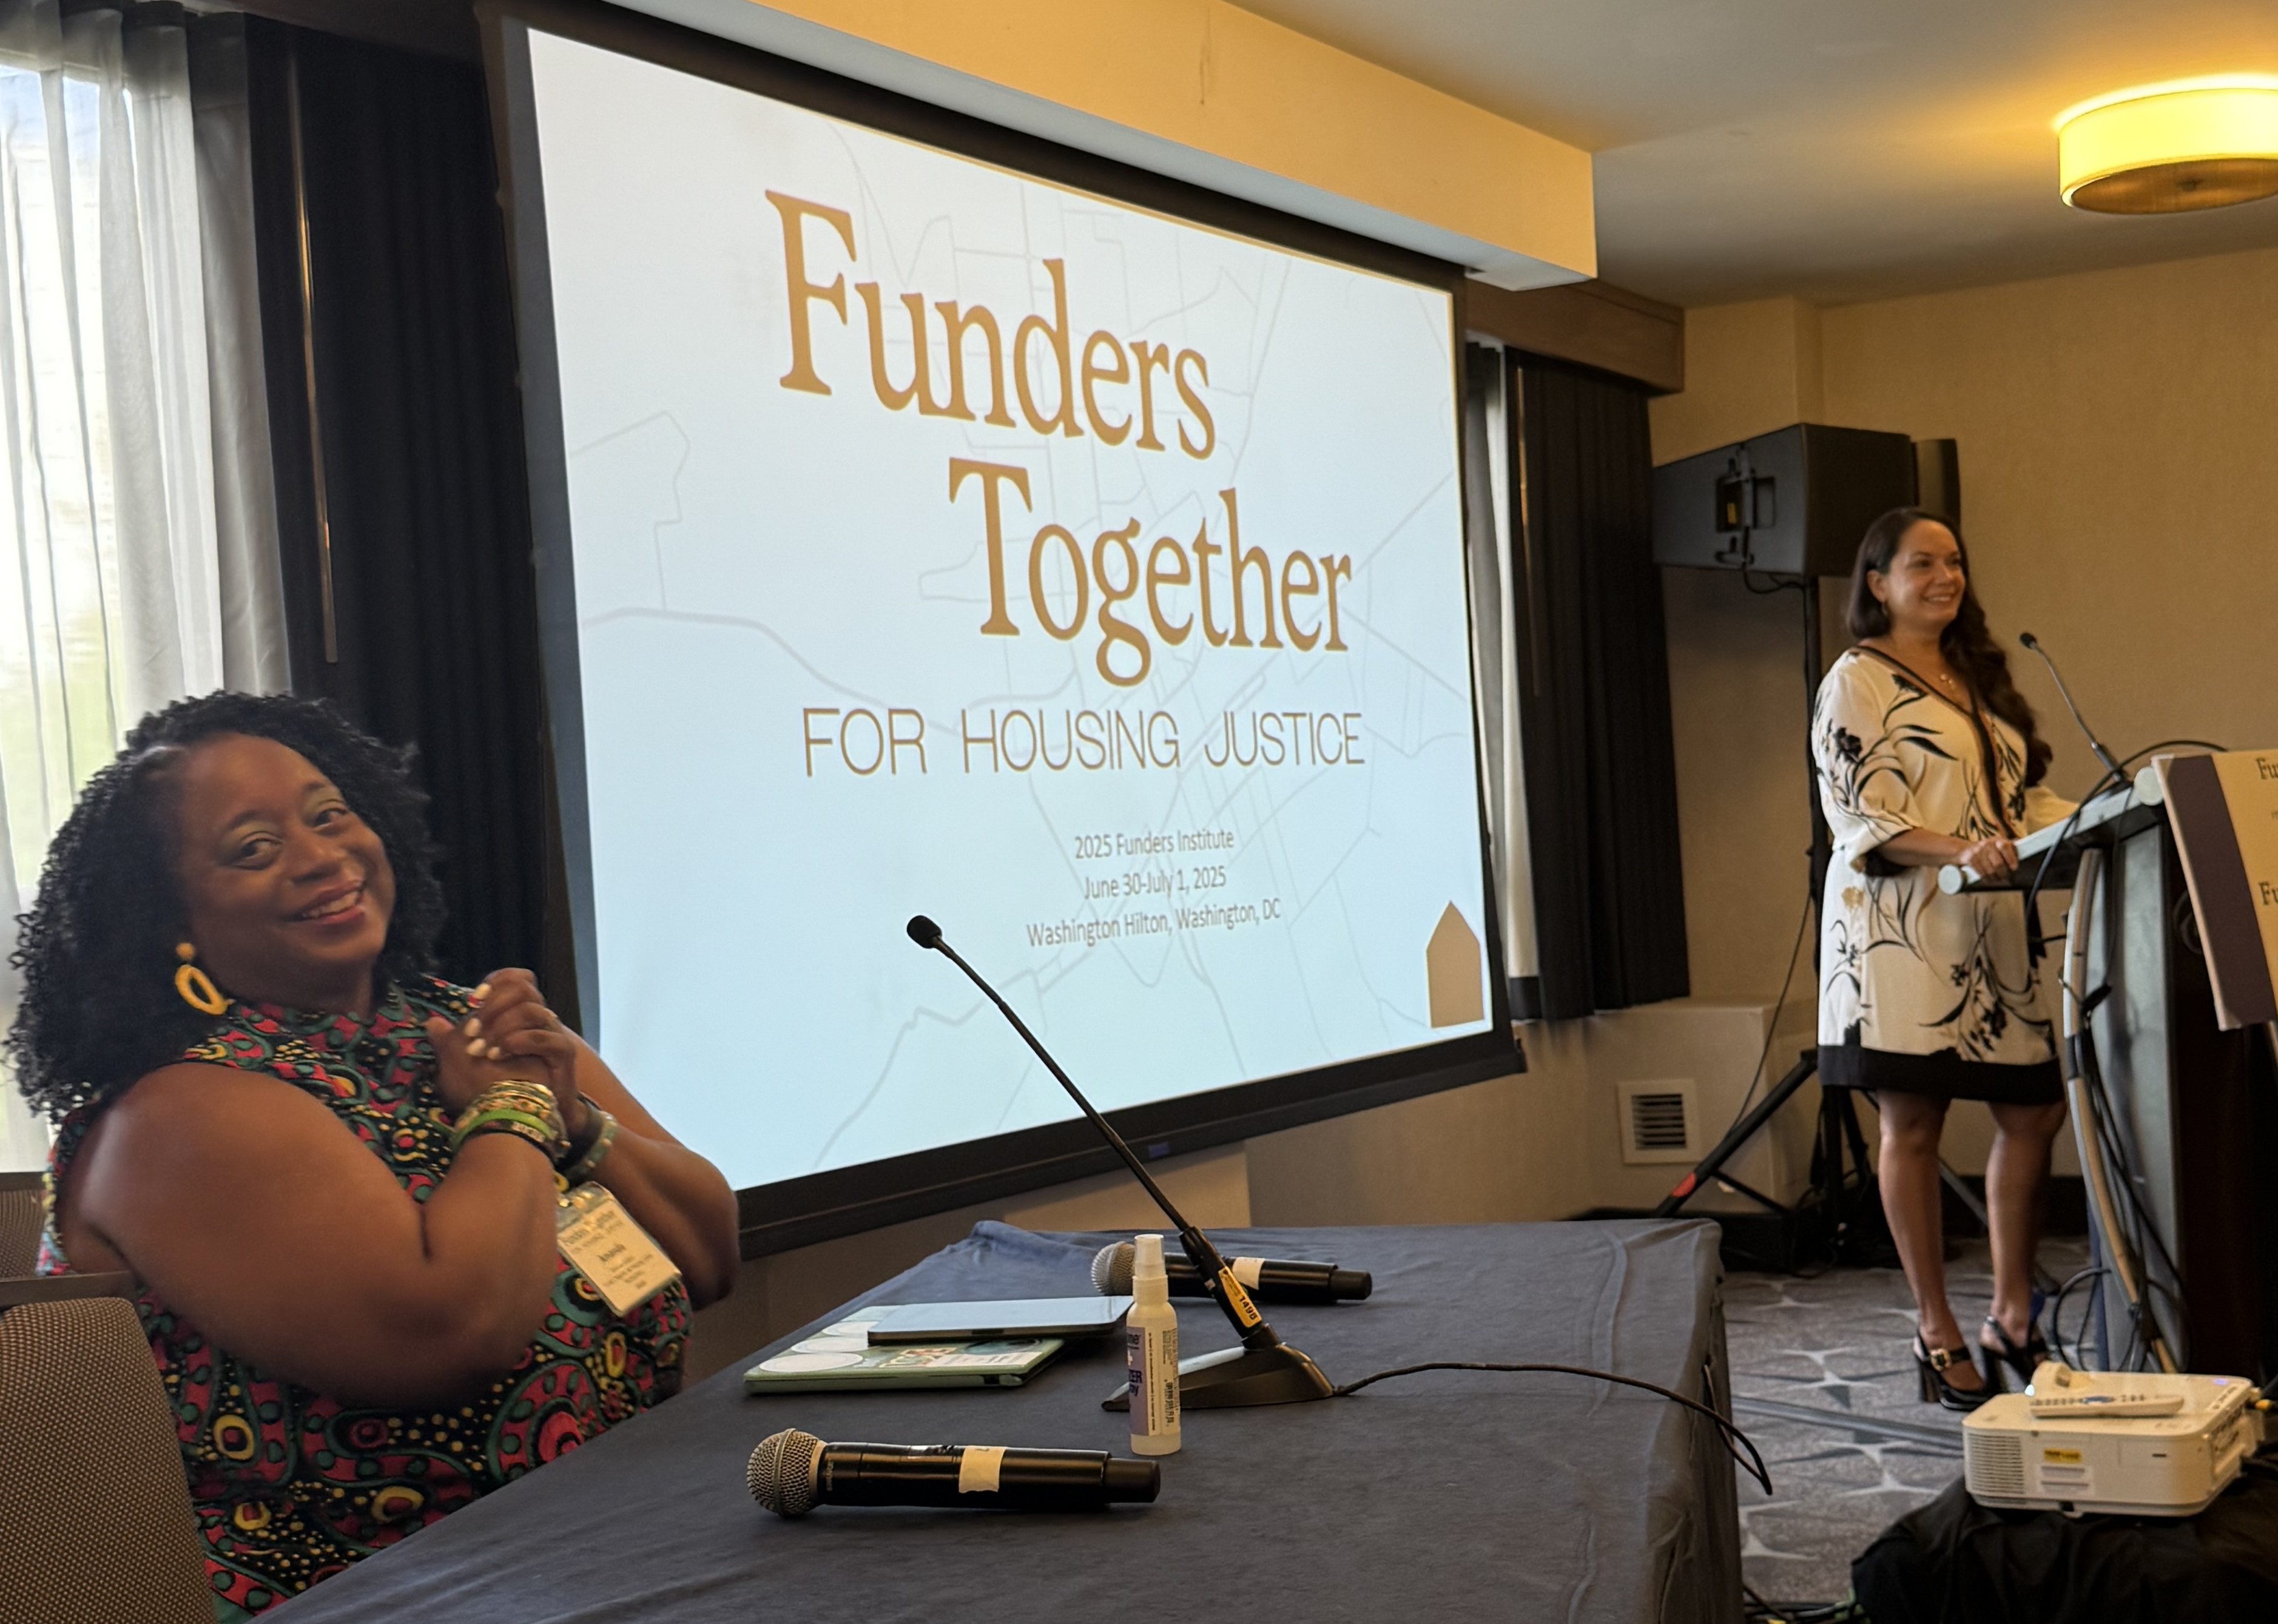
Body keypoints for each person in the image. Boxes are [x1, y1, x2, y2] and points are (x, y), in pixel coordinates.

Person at [8, 692, 742, 1617]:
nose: (321, 857)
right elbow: (453, 1333)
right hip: (372, 1594)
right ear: (170, 921)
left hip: (606, 1548)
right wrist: (513, 1112)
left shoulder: (455, 1021)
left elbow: (712, 1253)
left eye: (329, 814)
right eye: (253, 849)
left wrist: (577, 1119)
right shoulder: (178, 1114)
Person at [1811, 508, 2073, 1411]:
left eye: (1955, 560)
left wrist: (2102, 814)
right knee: (1913, 1125)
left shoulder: (1975, 677)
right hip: (1900, 933)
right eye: (1922, 562)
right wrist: (1958, 849)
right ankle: (1936, 1328)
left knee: (2033, 1112)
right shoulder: (1857, 679)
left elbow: (2018, 795)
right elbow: (1861, 813)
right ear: (1877, 582)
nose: (1945, 575)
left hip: (1992, 930)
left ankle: (2011, 1315)